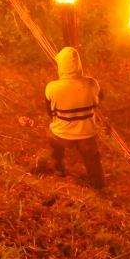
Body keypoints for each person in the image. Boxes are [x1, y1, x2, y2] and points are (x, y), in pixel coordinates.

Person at [44, 47, 106, 190]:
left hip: (62, 135)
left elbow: (49, 112)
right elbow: (99, 100)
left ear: (61, 65)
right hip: (87, 134)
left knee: (51, 136)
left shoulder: (52, 87)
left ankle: (59, 168)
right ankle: (98, 186)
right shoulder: (92, 83)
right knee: (93, 158)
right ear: (79, 64)